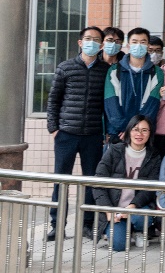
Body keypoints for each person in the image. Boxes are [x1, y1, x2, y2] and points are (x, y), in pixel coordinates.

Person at [47, 26, 109, 239]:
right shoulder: (65, 68)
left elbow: (107, 105)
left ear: (101, 45)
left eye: (96, 39)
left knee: (91, 181)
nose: (92, 42)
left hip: (93, 134)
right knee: (61, 181)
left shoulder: (106, 70)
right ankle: (57, 225)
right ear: (80, 42)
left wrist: (105, 133)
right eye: (88, 38)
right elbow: (53, 100)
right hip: (66, 133)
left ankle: (87, 224)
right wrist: (54, 128)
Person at [94, 115, 162, 251]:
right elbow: (98, 183)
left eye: (144, 130)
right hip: (115, 209)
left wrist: (133, 206)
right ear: (129, 131)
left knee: (142, 218)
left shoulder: (153, 156)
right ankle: (123, 230)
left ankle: (138, 231)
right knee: (118, 245)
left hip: (137, 208)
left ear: (150, 133)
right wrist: (108, 210)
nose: (139, 134)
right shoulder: (114, 151)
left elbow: (150, 188)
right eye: (135, 129)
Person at [104, 27, 163, 144]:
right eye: (135, 42)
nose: (138, 45)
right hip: (118, 133)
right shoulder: (114, 70)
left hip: (143, 135)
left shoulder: (157, 72)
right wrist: (126, 128)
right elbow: (111, 103)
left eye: (143, 42)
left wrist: (137, 130)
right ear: (128, 45)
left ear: (148, 45)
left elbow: (152, 105)